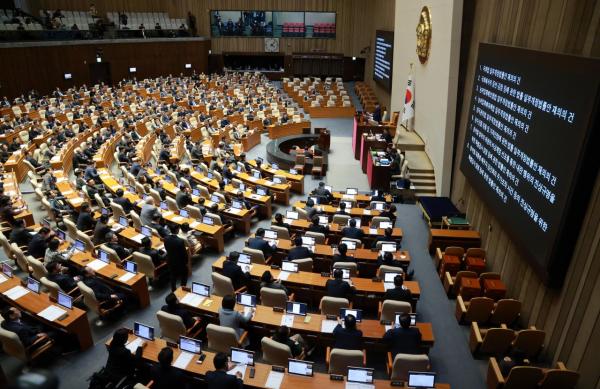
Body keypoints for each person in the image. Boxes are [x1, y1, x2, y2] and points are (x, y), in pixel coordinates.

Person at [164, 224, 189, 291]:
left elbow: (166, 249)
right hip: (180, 262)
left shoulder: (166, 238)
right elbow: (184, 253)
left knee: (173, 276)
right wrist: (186, 262)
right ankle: (182, 289)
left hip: (170, 260)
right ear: (177, 230)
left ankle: (173, 290)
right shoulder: (180, 241)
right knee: (184, 276)